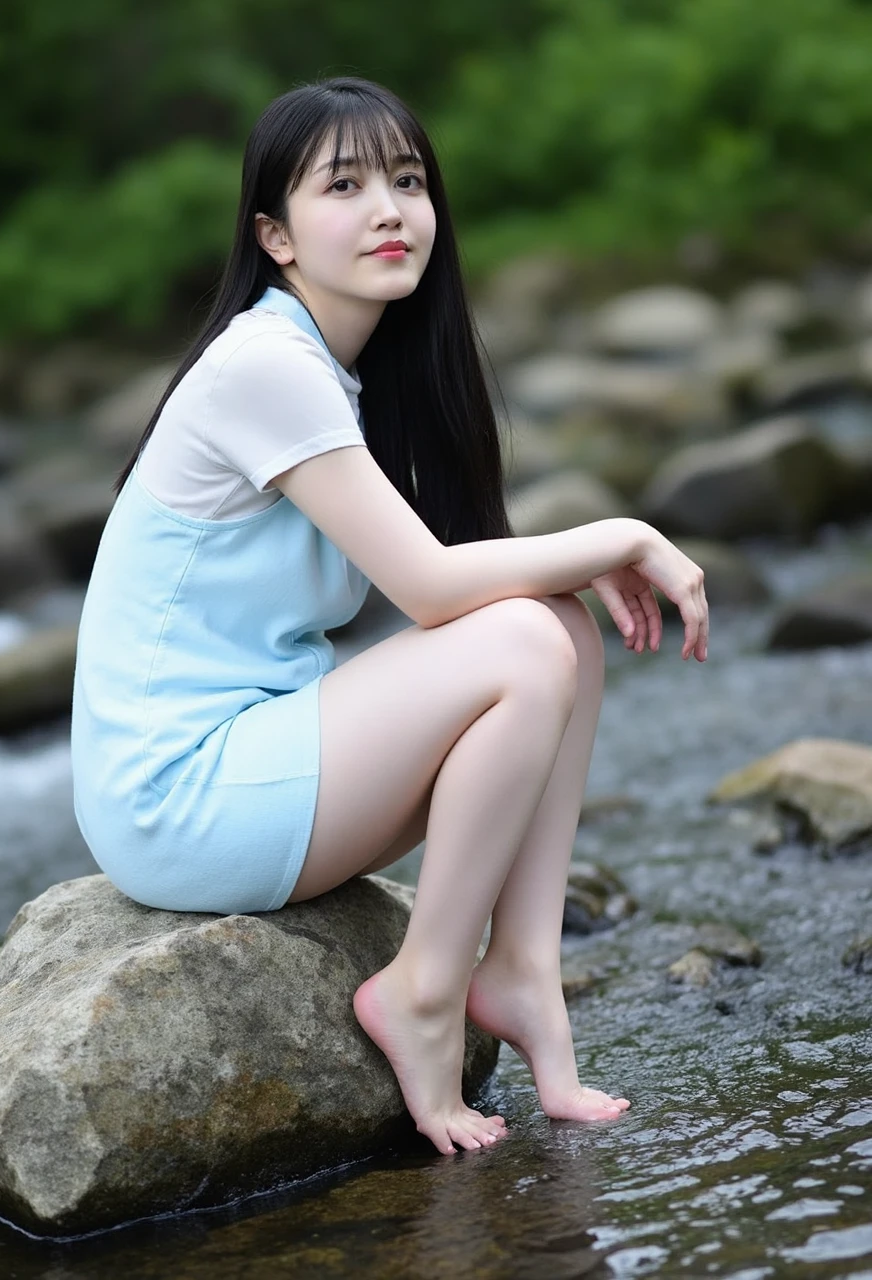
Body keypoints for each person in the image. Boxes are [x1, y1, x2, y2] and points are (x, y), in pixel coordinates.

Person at [70, 75, 709, 1159]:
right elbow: (427, 585)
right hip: (177, 792)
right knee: (517, 635)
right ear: (273, 235)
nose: (389, 209)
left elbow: (454, 577)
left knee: (556, 626)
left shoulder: (339, 371)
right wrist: (622, 534)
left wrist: (575, 566)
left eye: (407, 181)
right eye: (347, 185)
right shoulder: (267, 366)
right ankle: (422, 989)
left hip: (252, 744)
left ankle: (520, 970)